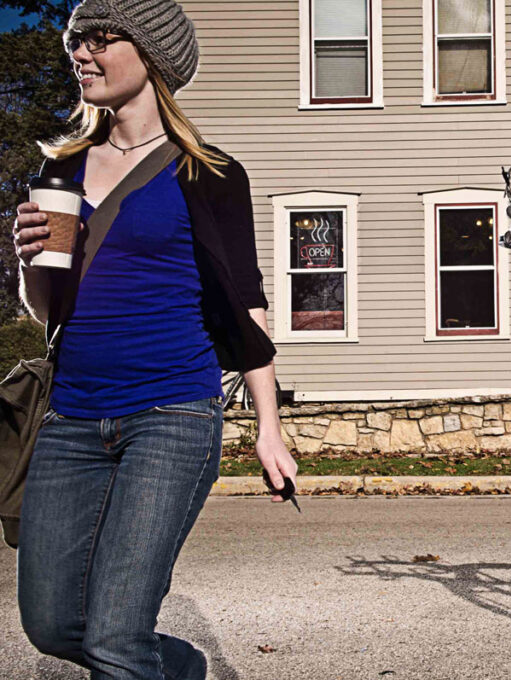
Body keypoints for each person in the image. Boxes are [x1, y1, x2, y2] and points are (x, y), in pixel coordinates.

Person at [10, 0, 297, 677]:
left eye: (102, 40)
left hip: (171, 414)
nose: (81, 54)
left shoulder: (209, 172)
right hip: (73, 415)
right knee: (53, 625)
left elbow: (245, 301)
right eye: (78, 41)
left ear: (153, 58)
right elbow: (48, 307)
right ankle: (178, 668)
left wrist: (269, 427)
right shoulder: (62, 171)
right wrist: (29, 264)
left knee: (113, 638)